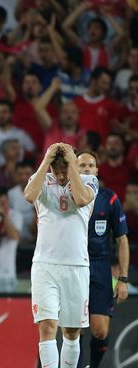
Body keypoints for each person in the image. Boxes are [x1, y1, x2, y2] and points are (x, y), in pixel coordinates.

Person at [24, 143, 97, 368]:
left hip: (76, 265)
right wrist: (46, 161)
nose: (61, 175)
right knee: (47, 326)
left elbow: (82, 200)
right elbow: (29, 196)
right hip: (45, 265)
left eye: (65, 169)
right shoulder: (41, 180)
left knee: (72, 331)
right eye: (57, 170)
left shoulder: (89, 181)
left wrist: (72, 164)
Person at [77, 152, 130, 368]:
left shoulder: (109, 198)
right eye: (82, 166)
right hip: (74, 266)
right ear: (75, 169)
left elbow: (122, 240)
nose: (87, 169)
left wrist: (123, 279)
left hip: (99, 266)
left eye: (91, 165)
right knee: (75, 329)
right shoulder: (66, 198)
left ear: (97, 170)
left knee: (100, 330)